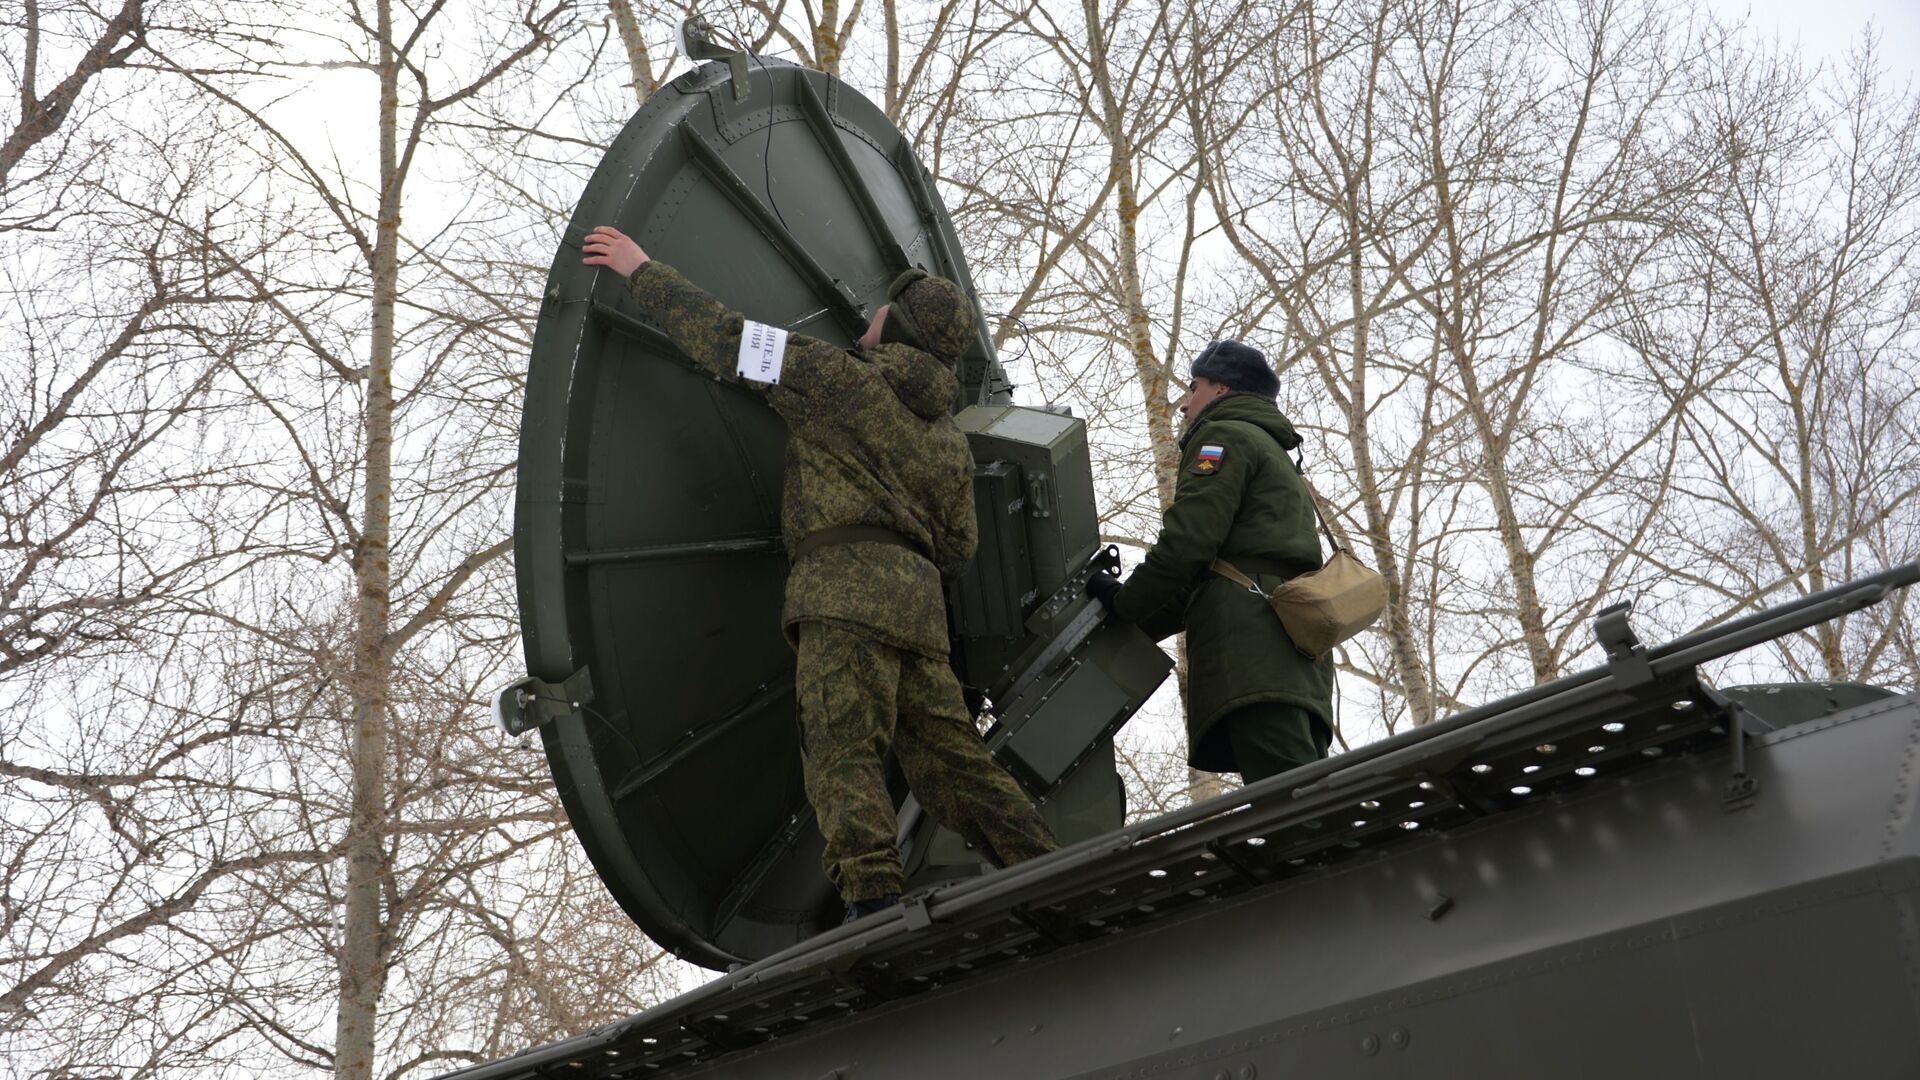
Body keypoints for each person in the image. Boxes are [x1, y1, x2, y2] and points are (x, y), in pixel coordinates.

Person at [582, 226, 1057, 920]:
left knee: (842, 746)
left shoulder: (839, 379)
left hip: (841, 596)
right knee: (955, 764)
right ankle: (1047, 866)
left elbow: (728, 338)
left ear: (899, 328)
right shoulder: (949, 441)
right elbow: (960, 546)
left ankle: (872, 897)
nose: (869, 317)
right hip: (920, 614)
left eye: (882, 311)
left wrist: (642, 270)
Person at [1085, 340, 1334, 784]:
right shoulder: (1271, 450)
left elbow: (1188, 544)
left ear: (1221, 389)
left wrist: (1125, 603)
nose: (1185, 404)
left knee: (1294, 807)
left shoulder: (1225, 437)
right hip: (1288, 655)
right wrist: (1130, 619)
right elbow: (1208, 577)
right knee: (1301, 791)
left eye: (1194, 387)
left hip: (1253, 652)